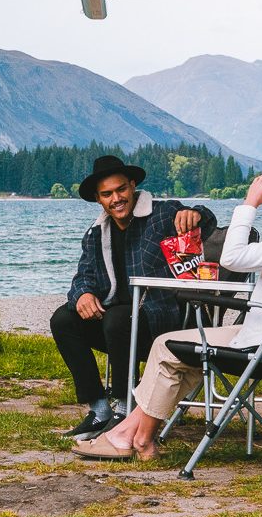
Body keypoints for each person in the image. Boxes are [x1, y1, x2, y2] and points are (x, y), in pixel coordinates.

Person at [72, 151, 262, 461]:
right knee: (187, 361)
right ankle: (131, 432)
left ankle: (133, 436)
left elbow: (232, 257)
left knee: (167, 348)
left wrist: (249, 205)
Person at [51, 154, 219, 441]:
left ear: (132, 186)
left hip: (163, 323)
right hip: (119, 329)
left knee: (117, 317)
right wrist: (83, 295)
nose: (116, 198)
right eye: (107, 194)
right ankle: (100, 410)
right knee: (63, 319)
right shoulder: (95, 234)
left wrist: (196, 214)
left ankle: (125, 408)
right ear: (98, 199)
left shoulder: (163, 215)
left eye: (121, 189)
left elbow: (208, 221)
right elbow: (82, 276)